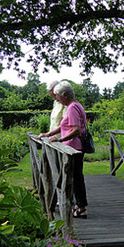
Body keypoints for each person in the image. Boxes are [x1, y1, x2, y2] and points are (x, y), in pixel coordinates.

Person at [38, 81, 88, 219]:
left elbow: (76, 130)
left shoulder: (71, 108)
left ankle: (81, 208)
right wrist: (48, 134)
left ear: (65, 95)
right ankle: (78, 206)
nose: (57, 99)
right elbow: (64, 126)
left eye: (58, 96)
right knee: (76, 177)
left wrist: (60, 140)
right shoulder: (76, 105)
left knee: (75, 179)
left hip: (73, 148)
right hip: (75, 147)